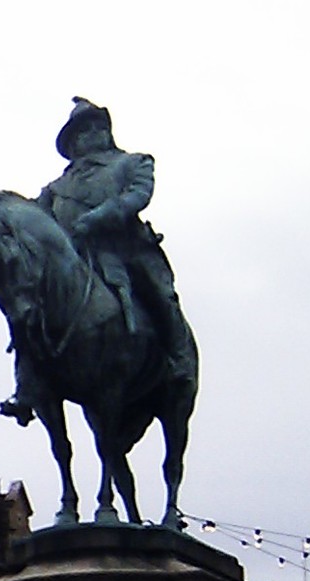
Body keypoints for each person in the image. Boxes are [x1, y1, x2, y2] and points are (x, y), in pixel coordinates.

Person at [29, 97, 195, 394]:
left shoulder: (133, 162)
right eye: (83, 130)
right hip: (74, 260)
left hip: (125, 250)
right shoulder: (55, 189)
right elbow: (35, 219)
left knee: (162, 295)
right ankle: (29, 387)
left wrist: (98, 217)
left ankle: (179, 361)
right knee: (30, 313)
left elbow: (138, 195)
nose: (92, 133)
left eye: (97, 126)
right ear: (73, 143)